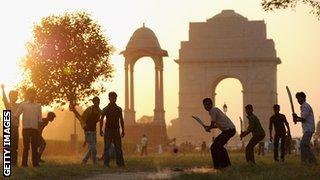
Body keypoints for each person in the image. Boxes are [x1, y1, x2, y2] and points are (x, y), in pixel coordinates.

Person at [200, 98, 236, 169]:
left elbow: (213, 123)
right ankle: (219, 166)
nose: (206, 106)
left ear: (211, 104)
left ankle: (223, 165)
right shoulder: (213, 111)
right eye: (205, 105)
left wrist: (209, 128)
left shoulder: (213, 110)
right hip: (228, 130)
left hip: (229, 130)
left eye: (207, 104)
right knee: (214, 147)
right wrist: (209, 127)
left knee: (217, 147)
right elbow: (217, 125)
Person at [14, 88, 42, 167]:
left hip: (34, 129)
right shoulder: (23, 104)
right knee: (26, 146)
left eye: (33, 94)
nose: (31, 95)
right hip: (26, 128)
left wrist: (39, 130)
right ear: (28, 95)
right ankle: (24, 164)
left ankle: (35, 163)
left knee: (34, 146)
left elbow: (39, 119)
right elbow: (16, 114)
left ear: (35, 95)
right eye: (30, 94)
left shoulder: (38, 106)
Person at [70, 97, 101, 165]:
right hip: (88, 130)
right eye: (96, 101)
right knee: (93, 148)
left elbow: (100, 118)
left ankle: (84, 161)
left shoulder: (99, 110)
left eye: (98, 101)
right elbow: (82, 118)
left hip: (94, 131)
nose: (98, 103)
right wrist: (84, 127)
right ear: (93, 102)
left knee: (91, 148)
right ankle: (94, 163)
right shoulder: (89, 109)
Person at [100, 92, 125, 167]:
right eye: (112, 98)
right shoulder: (106, 109)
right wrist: (101, 129)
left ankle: (120, 163)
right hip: (108, 130)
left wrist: (123, 130)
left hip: (116, 130)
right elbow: (101, 120)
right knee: (107, 148)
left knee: (118, 148)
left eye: (115, 98)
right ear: (109, 98)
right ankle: (106, 163)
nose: (114, 99)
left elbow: (121, 120)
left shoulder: (119, 109)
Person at [293, 92, 317, 165]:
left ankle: (305, 161)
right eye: (297, 99)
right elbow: (302, 119)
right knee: (305, 145)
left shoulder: (305, 106)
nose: (298, 100)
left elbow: (303, 119)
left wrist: (296, 118)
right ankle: (312, 161)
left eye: (299, 98)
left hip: (309, 129)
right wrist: (296, 119)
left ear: (303, 98)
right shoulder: (303, 106)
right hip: (308, 129)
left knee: (303, 144)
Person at [1, 84, 19, 166]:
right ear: (10, 97)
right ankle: (8, 161)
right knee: (9, 145)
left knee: (15, 145)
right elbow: (4, 99)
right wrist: (3, 89)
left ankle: (14, 162)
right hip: (8, 127)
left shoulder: (19, 105)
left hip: (15, 126)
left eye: (16, 96)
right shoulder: (8, 104)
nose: (15, 97)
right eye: (13, 96)